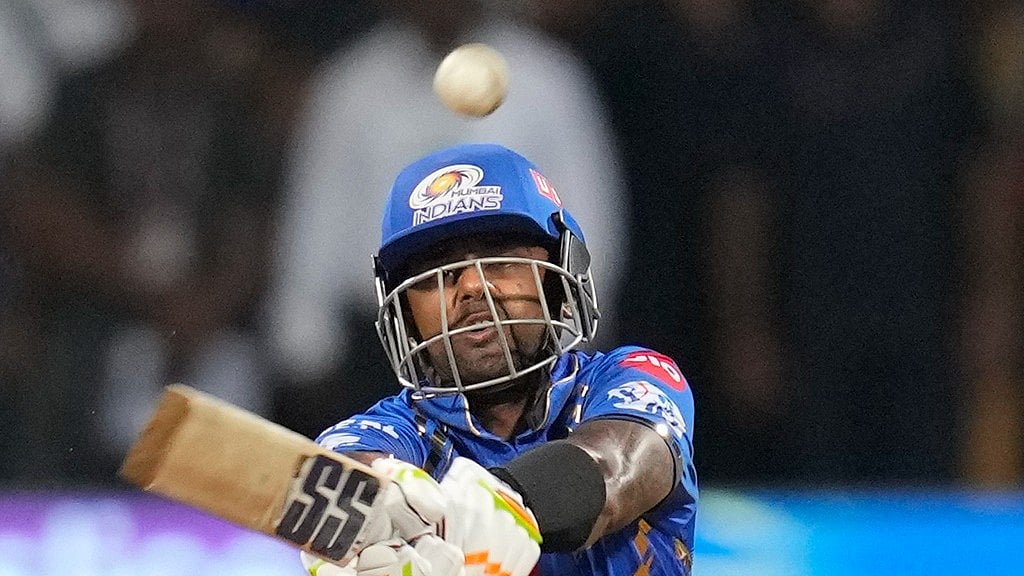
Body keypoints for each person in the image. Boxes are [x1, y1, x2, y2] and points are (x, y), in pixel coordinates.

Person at [298, 143, 697, 576]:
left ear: (558, 283)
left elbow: (616, 465)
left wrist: (503, 504)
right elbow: (349, 467)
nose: (471, 287)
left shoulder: (633, 376)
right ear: (406, 315)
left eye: (498, 260)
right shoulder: (394, 431)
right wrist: (370, 512)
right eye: (440, 273)